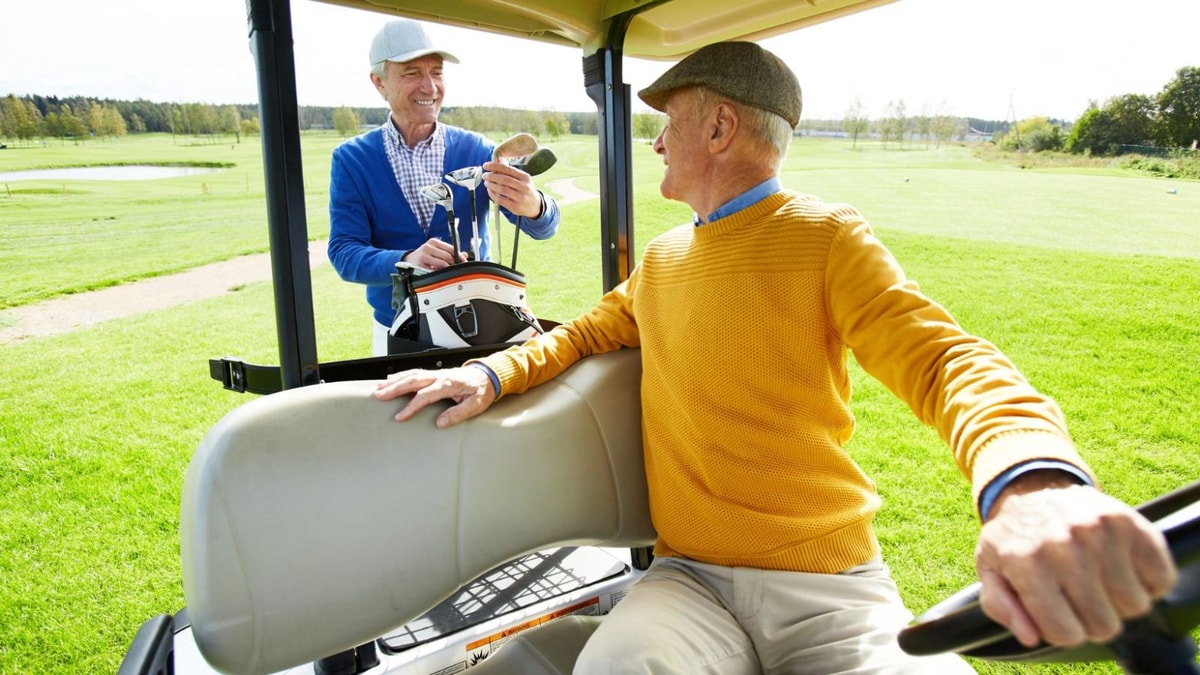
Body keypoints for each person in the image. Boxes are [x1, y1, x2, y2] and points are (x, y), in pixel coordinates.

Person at [373, 41, 1177, 673]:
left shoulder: (826, 237)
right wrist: (482, 371)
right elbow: (581, 334)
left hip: (829, 586)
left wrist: (1033, 483)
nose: (654, 141)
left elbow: (946, 362)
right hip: (686, 581)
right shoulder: (659, 260)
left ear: (721, 127)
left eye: (670, 119)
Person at [327, 19, 561, 356]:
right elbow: (345, 253)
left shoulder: (480, 151)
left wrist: (535, 204)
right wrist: (406, 260)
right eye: (411, 73)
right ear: (378, 81)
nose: (430, 87)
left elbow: (546, 228)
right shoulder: (352, 159)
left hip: (484, 324)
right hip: (397, 330)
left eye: (436, 72)